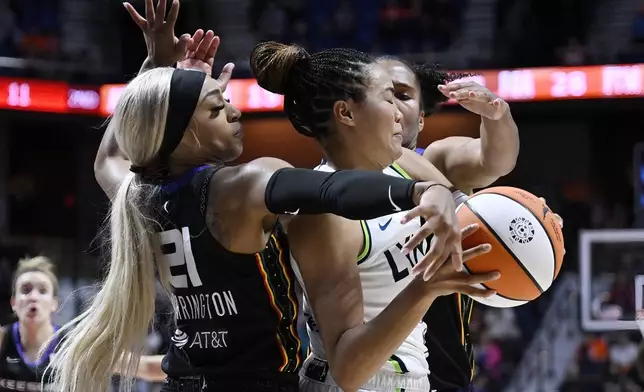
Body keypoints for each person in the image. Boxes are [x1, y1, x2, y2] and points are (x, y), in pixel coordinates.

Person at [45, 2, 469, 392]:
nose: (234, 111)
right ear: (184, 134)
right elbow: (328, 188)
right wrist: (418, 190)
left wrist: (157, 71)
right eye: (215, 107)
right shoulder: (238, 189)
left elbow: (110, 156)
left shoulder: (139, 197)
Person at [250, 41, 502, 392]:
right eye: (387, 99)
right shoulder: (325, 218)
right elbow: (349, 370)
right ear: (347, 114)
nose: (400, 112)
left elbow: (477, 217)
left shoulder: (402, 162)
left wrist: (529, 221)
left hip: (413, 377)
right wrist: (425, 289)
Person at [375, 55, 520, 391]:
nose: (392, 105)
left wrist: (498, 116)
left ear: (422, 119)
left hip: (441, 377)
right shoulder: (334, 179)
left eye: (403, 95)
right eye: (380, 94)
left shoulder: (437, 161)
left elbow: (495, 159)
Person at [0, 256, 61, 392]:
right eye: (26, 290)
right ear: (13, 303)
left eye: (42, 291)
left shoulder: (72, 344)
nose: (33, 297)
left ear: (54, 304)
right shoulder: (2, 339)